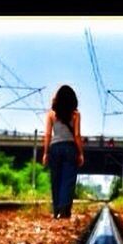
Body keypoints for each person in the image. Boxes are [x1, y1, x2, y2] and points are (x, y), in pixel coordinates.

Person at [42, 85, 85, 218]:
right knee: (68, 179)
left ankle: (56, 211)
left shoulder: (50, 114)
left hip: (54, 148)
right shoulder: (76, 114)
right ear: (72, 99)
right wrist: (81, 153)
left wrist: (45, 153)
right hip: (70, 148)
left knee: (56, 179)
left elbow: (48, 135)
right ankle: (64, 210)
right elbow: (77, 135)